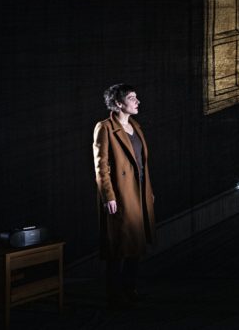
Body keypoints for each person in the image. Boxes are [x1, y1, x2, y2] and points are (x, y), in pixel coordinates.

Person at [92, 83, 156, 308]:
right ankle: (114, 294)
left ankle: (130, 290)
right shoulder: (105, 127)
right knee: (119, 246)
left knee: (136, 244)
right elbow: (101, 166)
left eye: (136, 97)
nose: (137, 101)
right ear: (118, 103)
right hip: (120, 194)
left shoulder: (136, 126)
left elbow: (141, 164)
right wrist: (108, 196)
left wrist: (149, 192)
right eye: (131, 98)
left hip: (139, 193)